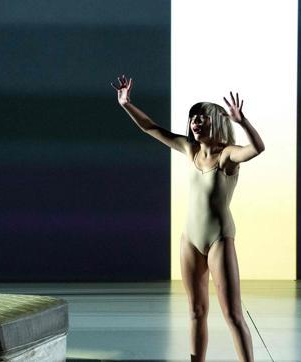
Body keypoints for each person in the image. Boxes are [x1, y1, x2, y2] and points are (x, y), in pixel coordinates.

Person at [111, 74, 265, 362]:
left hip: (219, 239)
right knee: (196, 311)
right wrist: (126, 104)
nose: (194, 121)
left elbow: (257, 149)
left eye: (201, 117)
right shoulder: (189, 150)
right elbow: (151, 128)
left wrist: (242, 122)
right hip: (189, 239)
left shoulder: (227, 156)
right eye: (192, 117)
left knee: (232, 314)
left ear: (216, 122)